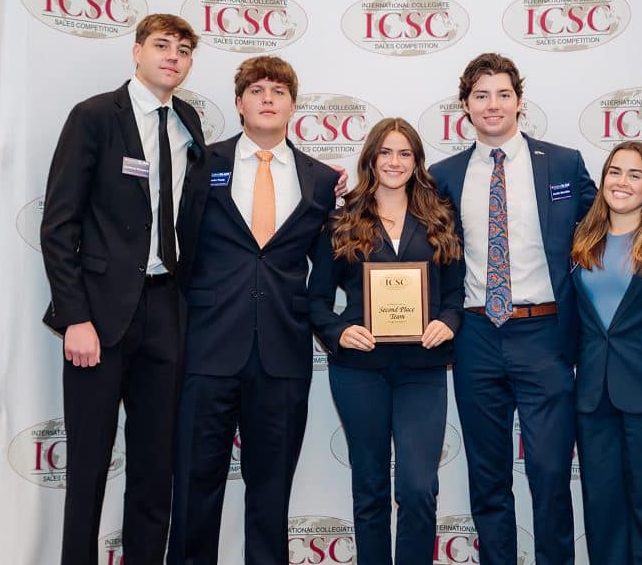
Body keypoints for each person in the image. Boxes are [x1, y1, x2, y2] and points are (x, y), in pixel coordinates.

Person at [40, 13, 208, 565]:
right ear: (136, 52)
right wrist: (74, 317)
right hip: (99, 317)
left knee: (155, 467)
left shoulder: (187, 123)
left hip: (165, 309)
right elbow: (59, 225)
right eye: (162, 45)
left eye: (184, 50)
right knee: (88, 466)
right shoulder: (93, 117)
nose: (173, 57)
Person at [168, 56, 342, 565]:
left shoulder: (321, 180)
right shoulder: (202, 165)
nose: (268, 97)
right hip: (207, 348)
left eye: (279, 90)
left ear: (293, 104)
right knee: (194, 489)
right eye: (257, 89)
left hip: (284, 355)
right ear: (240, 102)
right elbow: (180, 245)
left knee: (271, 496)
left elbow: (326, 272)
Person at [429, 53, 596, 565]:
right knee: (488, 475)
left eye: (503, 94)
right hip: (476, 336)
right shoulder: (444, 174)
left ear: (520, 103)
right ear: (465, 106)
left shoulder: (563, 163)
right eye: (481, 96)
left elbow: (608, 228)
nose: (493, 105)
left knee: (549, 472)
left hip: (544, 335)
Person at [307, 117, 464, 565]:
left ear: (416, 162)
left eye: (404, 154)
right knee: (370, 487)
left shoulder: (439, 218)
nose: (394, 162)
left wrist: (449, 321)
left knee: (417, 487)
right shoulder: (341, 220)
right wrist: (338, 331)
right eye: (386, 153)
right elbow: (316, 300)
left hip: (422, 370)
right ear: (371, 158)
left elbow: (455, 293)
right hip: (360, 371)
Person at [570, 141, 642, 565]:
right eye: (614, 172)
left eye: (635, 175)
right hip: (593, 397)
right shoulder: (582, 238)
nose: (621, 182)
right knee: (602, 508)